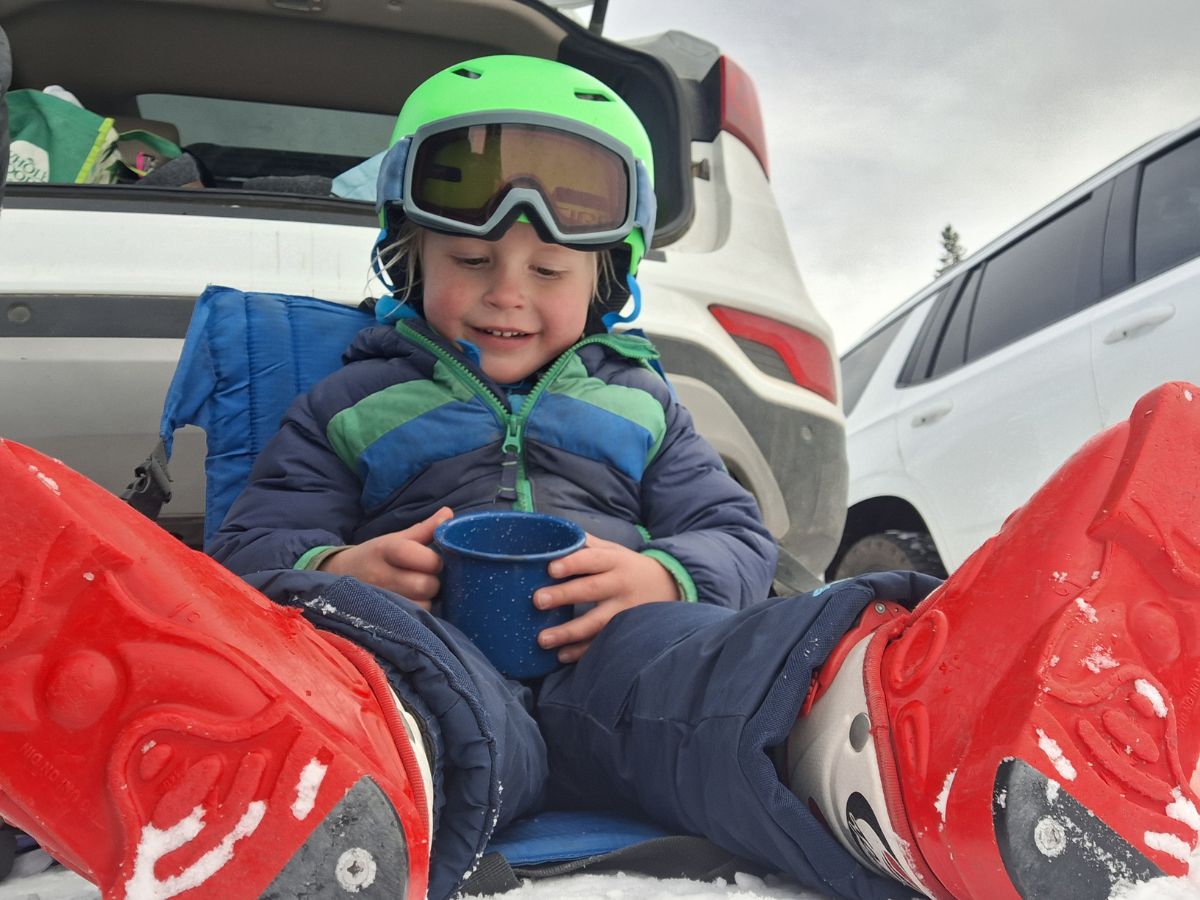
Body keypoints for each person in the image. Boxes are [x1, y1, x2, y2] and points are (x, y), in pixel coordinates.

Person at [1, 56, 1199, 900]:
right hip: (428, 657)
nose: (508, 291)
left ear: (608, 287)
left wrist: (661, 571)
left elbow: (731, 533)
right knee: (361, 669)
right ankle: (315, 793)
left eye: (549, 269)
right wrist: (337, 570)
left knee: (746, 670)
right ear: (406, 262)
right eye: (470, 258)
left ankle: (904, 748)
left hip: (624, 661)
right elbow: (261, 543)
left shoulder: (639, 402)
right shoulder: (353, 400)